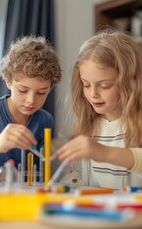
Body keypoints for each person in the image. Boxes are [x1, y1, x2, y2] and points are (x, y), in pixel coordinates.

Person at [57, 29, 142, 190]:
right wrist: (71, 182)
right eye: (86, 84)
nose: (93, 94)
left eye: (105, 85)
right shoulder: (89, 126)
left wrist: (104, 153)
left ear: (131, 83)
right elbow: (79, 174)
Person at [0, 36, 62, 177]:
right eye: (23, 90)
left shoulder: (45, 120)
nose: (31, 101)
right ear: (8, 81)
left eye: (41, 92)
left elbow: (42, 169)